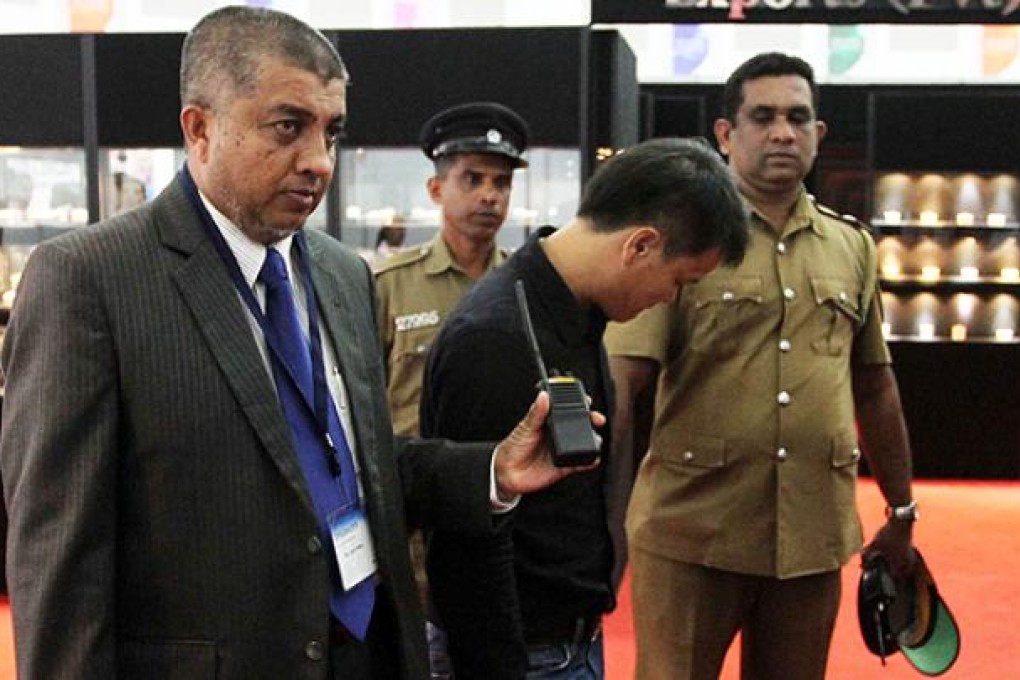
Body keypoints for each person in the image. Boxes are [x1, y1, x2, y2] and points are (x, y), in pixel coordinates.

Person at [0, 7, 591, 680]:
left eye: (331, 132)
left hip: (368, 652)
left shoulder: (342, 274)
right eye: (288, 127)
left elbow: (355, 462)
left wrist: (492, 470)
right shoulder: (89, 279)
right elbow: (60, 557)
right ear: (200, 128)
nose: (318, 161)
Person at [605, 52, 918, 680]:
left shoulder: (851, 246)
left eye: (798, 118)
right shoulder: (676, 236)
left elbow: (874, 386)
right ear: (726, 134)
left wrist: (902, 510)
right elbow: (622, 384)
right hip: (692, 535)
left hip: (809, 537)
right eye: (763, 117)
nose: (783, 133)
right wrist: (596, 525)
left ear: (818, 134)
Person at [421, 137, 749, 679]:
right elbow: (468, 544)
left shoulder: (578, 311)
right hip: (519, 656)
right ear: (640, 246)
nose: (670, 299)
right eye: (680, 281)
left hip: (566, 642)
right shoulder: (495, 338)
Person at [375, 101, 529, 438]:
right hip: (415, 466)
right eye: (472, 180)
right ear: (436, 189)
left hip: (501, 465)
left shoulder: (523, 285)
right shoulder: (390, 284)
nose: (490, 195)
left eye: (501, 183)